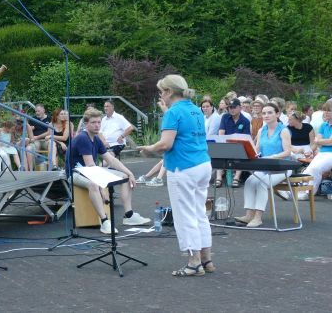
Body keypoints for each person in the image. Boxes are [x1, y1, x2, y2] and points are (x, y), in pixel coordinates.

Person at [140, 75, 213, 277]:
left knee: (184, 216)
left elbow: (166, 144)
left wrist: (149, 148)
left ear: (169, 92)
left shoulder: (173, 113)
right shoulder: (195, 109)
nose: (160, 95)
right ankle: (206, 260)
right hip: (202, 164)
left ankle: (194, 263)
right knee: (199, 213)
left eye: (161, 91)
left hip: (183, 167)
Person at [69, 107, 150, 235]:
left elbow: (111, 159)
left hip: (91, 170)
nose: (97, 125)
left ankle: (129, 215)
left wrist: (130, 173)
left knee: (125, 177)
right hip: (75, 173)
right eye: (93, 122)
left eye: (99, 122)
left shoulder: (96, 138)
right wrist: (102, 187)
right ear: (86, 124)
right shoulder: (83, 138)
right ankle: (104, 221)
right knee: (93, 184)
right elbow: (90, 167)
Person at [232, 102, 292, 227]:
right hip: (265, 166)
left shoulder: (284, 130)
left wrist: (271, 157)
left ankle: (258, 218)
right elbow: (256, 150)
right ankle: (249, 215)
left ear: (277, 114)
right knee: (249, 182)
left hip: (282, 167)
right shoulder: (261, 130)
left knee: (261, 184)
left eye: (270, 112)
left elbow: (287, 152)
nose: (266, 115)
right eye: (264, 113)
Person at [215, 97, 251, 188]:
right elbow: (221, 133)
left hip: (239, 145)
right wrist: (223, 142)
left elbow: (245, 138)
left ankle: (236, 178)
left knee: (242, 151)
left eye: (234, 107)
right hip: (226, 144)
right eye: (230, 107)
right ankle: (218, 177)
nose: (232, 109)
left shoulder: (245, 121)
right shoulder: (225, 117)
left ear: (240, 108)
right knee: (219, 150)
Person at [303, 100, 332, 199]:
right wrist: (322, 141)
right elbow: (317, 141)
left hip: (330, 153)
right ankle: (300, 190)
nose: (326, 112)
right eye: (325, 110)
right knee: (308, 170)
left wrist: (320, 141)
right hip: (322, 152)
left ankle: (309, 193)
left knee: (316, 168)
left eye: (329, 110)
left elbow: (330, 141)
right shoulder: (324, 125)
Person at [25, 104, 51, 169]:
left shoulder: (50, 118)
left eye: (38, 111)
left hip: (46, 140)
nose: (37, 113)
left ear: (44, 110)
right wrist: (30, 129)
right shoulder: (33, 119)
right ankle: (31, 170)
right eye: (36, 111)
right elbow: (28, 130)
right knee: (29, 149)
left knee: (52, 144)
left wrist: (37, 137)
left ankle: (51, 167)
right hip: (36, 141)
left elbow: (49, 132)